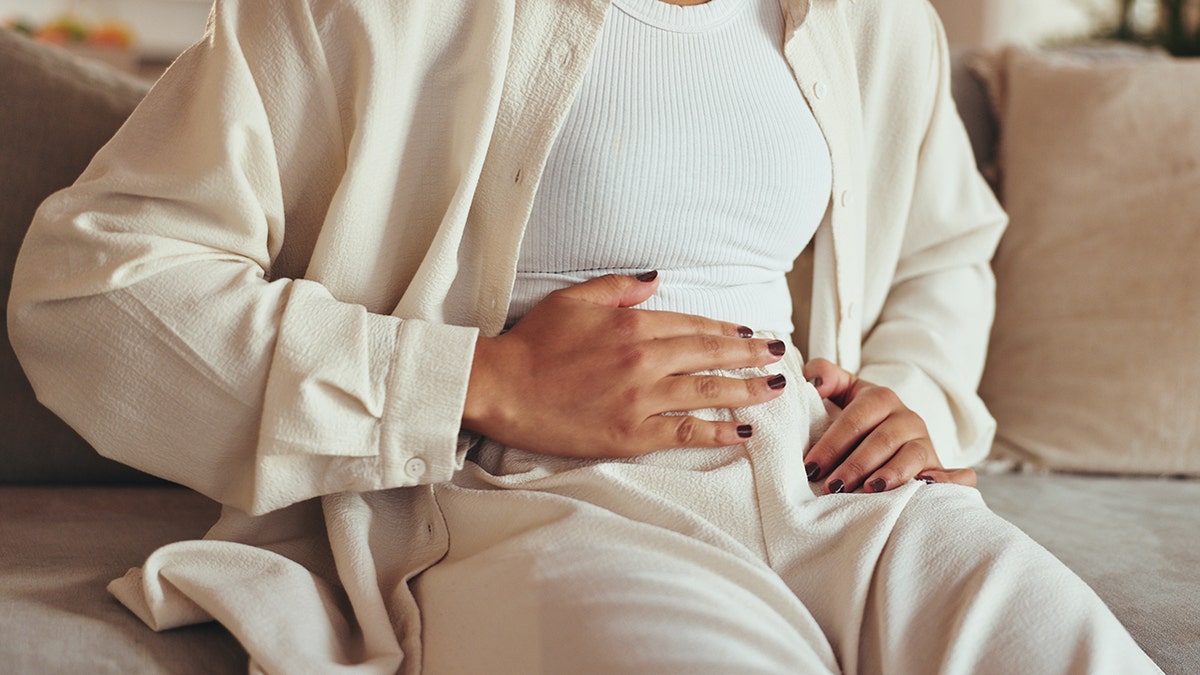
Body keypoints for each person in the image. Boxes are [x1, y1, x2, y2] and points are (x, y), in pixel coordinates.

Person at [8, 0, 1161, 672]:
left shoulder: (871, 17)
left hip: (845, 493)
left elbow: (940, 248)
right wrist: (472, 382)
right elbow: (94, 292)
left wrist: (909, 392)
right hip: (538, 504)